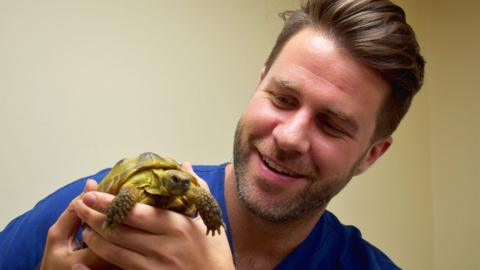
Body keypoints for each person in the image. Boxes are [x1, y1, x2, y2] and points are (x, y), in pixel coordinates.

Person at [0, 0, 424, 269]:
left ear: (372, 154)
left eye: (331, 125)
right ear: (258, 85)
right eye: (282, 98)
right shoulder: (87, 206)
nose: (290, 137)